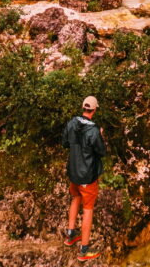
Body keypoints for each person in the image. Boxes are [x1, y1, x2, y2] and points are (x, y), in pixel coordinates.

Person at [63, 95, 106, 261]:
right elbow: (101, 152)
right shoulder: (94, 131)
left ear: (83, 108)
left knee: (75, 198)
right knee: (88, 209)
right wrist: (101, 136)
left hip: (73, 172)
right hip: (87, 176)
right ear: (94, 110)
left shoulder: (71, 123)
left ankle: (70, 235)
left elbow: (65, 143)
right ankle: (84, 250)